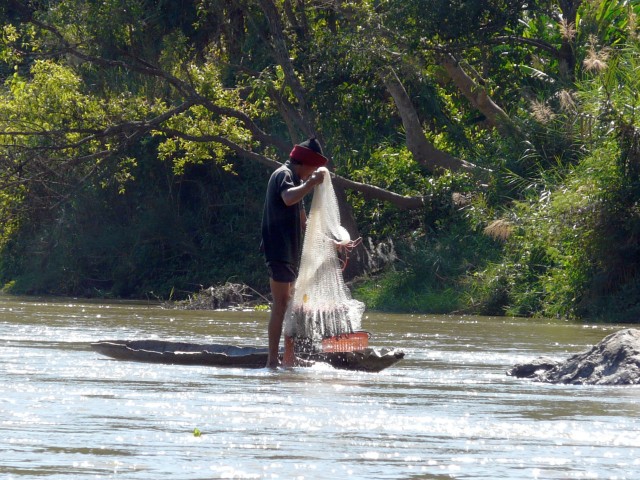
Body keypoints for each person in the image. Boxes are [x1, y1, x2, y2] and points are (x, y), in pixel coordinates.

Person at [261, 137, 327, 368]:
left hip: (290, 252)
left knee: (290, 305)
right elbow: (288, 198)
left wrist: (333, 241)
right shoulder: (285, 175)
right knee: (281, 304)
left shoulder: (296, 180)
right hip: (278, 249)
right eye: (312, 169)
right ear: (304, 163)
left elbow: (305, 223)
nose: (312, 174)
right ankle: (272, 360)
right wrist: (310, 184)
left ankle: (289, 356)